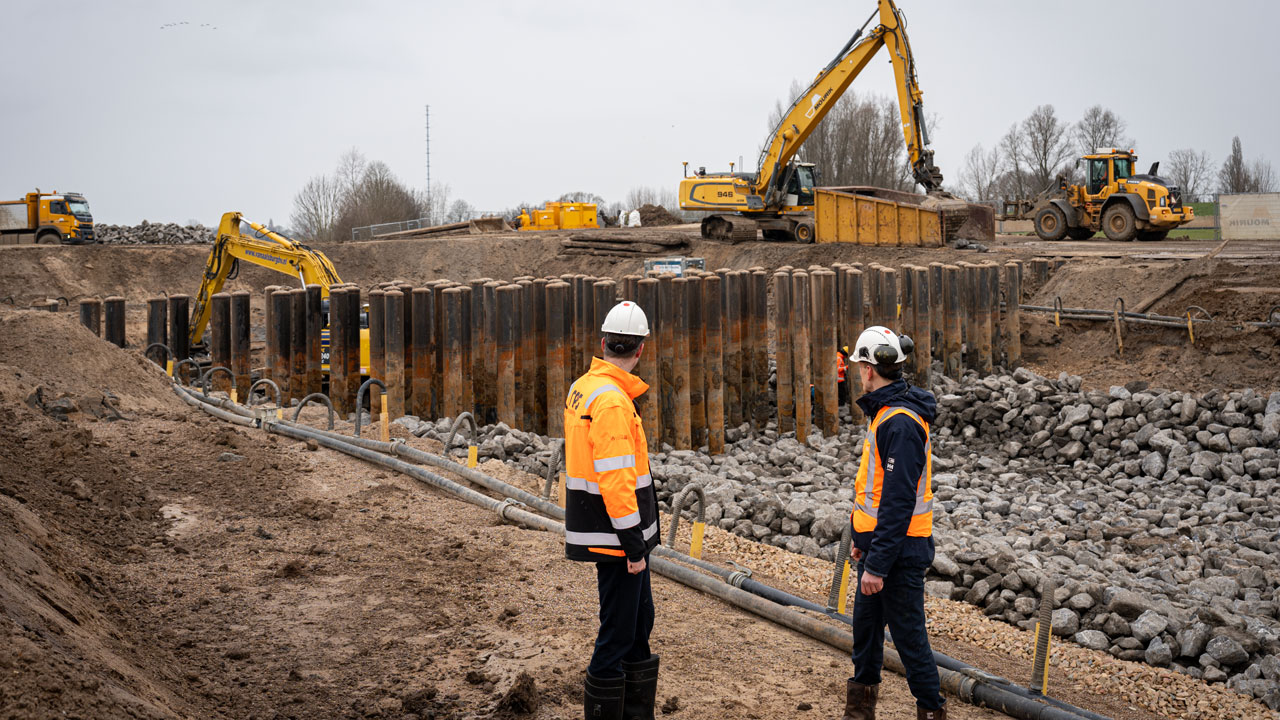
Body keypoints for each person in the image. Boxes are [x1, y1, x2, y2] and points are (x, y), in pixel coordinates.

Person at [841, 326, 946, 720]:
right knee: (866, 634)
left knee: (909, 638)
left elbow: (899, 502)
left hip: (899, 553)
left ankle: (931, 709)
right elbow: (876, 493)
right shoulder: (887, 412)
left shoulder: (899, 423)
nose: (857, 374)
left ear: (869, 370)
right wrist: (862, 539)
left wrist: (879, 564)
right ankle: (860, 711)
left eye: (858, 367)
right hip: (880, 548)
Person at [564, 300, 661, 720]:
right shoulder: (614, 402)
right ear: (640, 350)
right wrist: (634, 547)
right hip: (616, 536)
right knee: (618, 633)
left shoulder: (584, 386)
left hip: (605, 530)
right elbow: (617, 479)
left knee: (639, 622)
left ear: (603, 343)